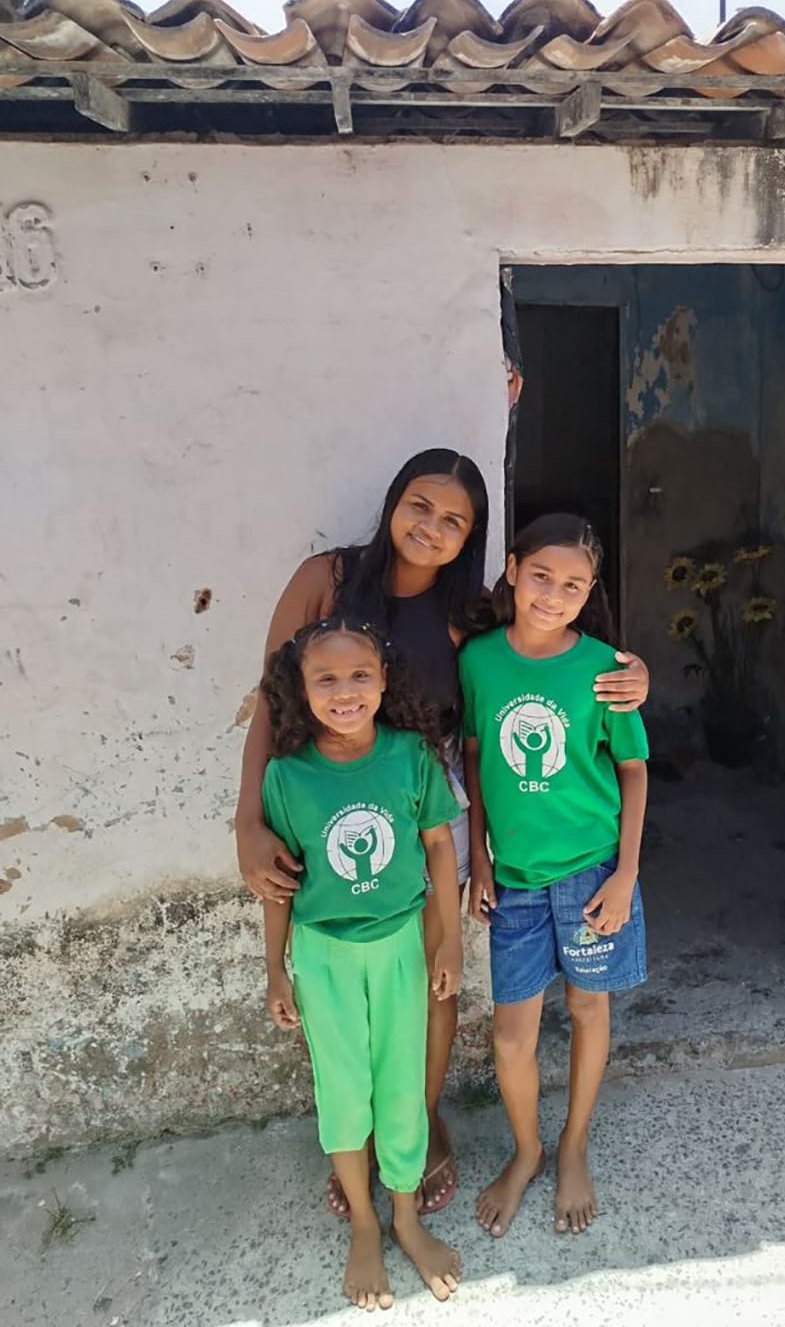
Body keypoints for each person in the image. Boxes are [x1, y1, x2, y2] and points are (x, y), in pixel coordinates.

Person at [236, 447, 650, 1216]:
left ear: (476, 538)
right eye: (421, 505)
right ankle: (357, 1138)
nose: (433, 527)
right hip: (328, 804)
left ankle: (418, 1123)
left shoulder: (470, 614)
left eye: (456, 520)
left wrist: (637, 676)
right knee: (340, 968)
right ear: (394, 500)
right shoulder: (325, 580)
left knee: (432, 974)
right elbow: (270, 698)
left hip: (429, 807)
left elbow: (549, 641)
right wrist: (247, 819)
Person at [259, 613, 463, 1308]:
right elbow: (280, 881)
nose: (344, 691)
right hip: (324, 955)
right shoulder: (286, 777)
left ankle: (406, 1217)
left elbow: (439, 847)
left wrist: (452, 939)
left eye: (359, 675)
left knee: (402, 1087)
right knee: (343, 1091)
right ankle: (367, 1225)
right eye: (326, 679)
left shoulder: (410, 756)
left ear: (384, 681)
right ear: (302, 688)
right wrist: (275, 968)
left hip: (402, 945)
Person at [460, 514, 649, 1240]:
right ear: (512, 570)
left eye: (573, 585)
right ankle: (528, 1151)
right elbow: (476, 758)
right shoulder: (479, 661)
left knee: (588, 1008)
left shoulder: (604, 668)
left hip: (592, 869)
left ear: (590, 592)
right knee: (512, 1036)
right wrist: (479, 854)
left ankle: (573, 1145)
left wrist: (627, 874)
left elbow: (632, 771)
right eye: (541, 576)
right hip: (512, 877)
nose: (553, 594)